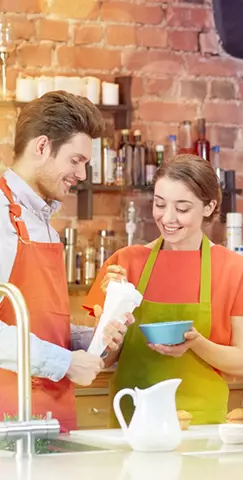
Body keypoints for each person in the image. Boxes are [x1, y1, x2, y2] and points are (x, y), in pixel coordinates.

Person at [84, 154, 243, 426]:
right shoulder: (124, 265)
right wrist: (108, 328)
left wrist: (194, 342)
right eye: (160, 204)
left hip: (202, 426)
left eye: (182, 208)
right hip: (132, 422)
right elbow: (104, 358)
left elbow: (239, 362)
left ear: (209, 206)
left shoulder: (237, 271)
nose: (167, 218)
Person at [0, 92, 111, 432]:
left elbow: (35, 321)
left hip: (52, 415)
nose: (82, 174)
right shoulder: (2, 216)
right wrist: (64, 362)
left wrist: (86, 339)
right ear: (42, 147)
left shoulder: (42, 221)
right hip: (9, 419)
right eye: (76, 160)